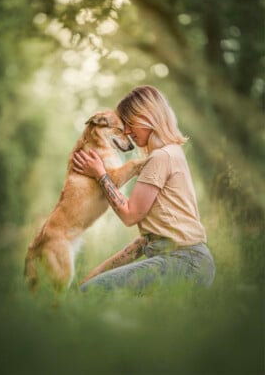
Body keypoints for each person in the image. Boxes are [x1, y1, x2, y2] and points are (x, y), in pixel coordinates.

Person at [72, 85, 215, 292]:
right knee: (92, 287)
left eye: (130, 124)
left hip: (185, 261)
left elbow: (130, 215)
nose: (127, 132)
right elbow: (146, 241)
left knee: (91, 293)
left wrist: (100, 174)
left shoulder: (161, 157)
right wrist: (98, 272)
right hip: (189, 260)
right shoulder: (171, 153)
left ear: (148, 117)